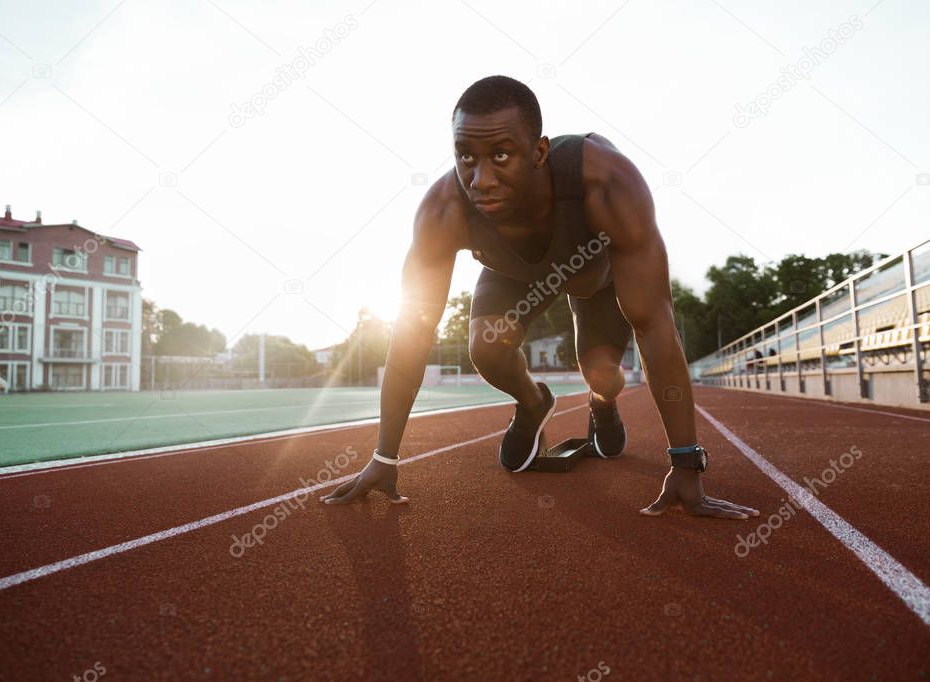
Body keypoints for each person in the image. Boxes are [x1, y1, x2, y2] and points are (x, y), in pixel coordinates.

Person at [323, 75, 759, 520]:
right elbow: (413, 332)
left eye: (500, 155)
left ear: (539, 152)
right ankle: (534, 402)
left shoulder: (607, 182)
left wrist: (686, 461)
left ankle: (602, 403)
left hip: (593, 274)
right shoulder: (444, 211)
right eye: (465, 156)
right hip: (514, 274)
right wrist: (385, 457)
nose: (481, 179)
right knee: (486, 348)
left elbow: (653, 322)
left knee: (602, 374)